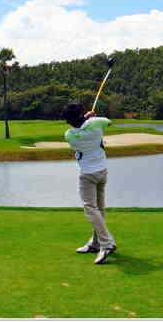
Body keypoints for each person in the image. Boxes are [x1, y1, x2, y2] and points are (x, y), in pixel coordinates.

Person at [62, 102, 117, 265]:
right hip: (102, 172)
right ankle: (95, 243)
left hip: (87, 175)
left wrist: (85, 119)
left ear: (69, 121)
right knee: (99, 208)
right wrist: (90, 119)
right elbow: (108, 122)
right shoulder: (97, 122)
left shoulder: (69, 135)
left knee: (90, 208)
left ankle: (107, 243)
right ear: (83, 114)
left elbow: (78, 130)